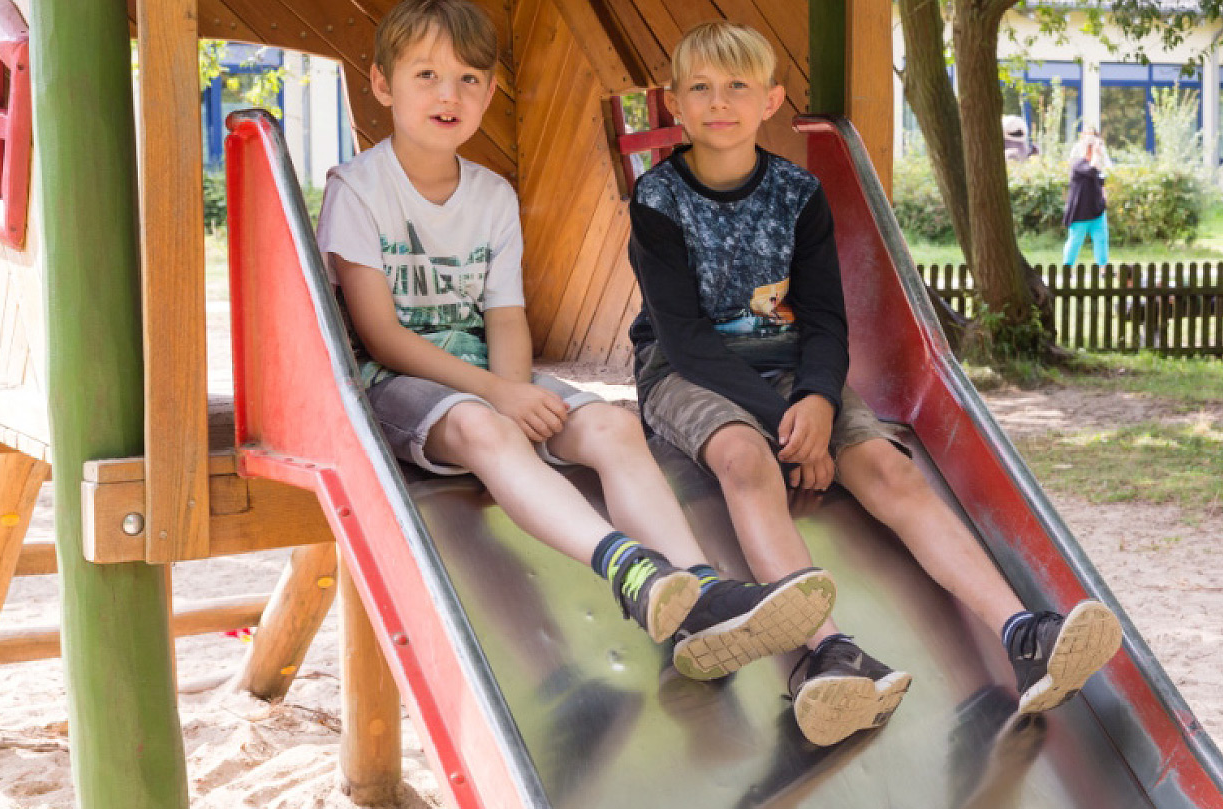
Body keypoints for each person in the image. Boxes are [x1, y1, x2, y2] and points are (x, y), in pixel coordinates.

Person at [627, 21, 1123, 747]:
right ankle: (827, 654)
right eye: (700, 87)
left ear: (770, 101)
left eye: (737, 86)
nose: (719, 102)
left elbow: (827, 318)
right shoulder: (657, 199)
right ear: (675, 102)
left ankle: (1023, 633)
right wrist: (786, 424)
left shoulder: (798, 194)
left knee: (890, 468)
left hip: (793, 366)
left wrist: (819, 400)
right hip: (685, 371)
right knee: (744, 457)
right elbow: (685, 339)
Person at [316, 0, 837, 681]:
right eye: (426, 76)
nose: (449, 95)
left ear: (490, 94)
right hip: (398, 383)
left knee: (613, 427)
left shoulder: (492, 195)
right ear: (383, 86)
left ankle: (701, 587)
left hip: (486, 371)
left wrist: (517, 390)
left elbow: (505, 316)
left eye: (469, 79)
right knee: (484, 426)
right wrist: (500, 396)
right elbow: (382, 337)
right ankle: (631, 569)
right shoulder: (357, 189)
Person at [1063, 127, 1111, 267]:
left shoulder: (1097, 167)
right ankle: (1067, 267)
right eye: (1098, 146)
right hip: (1080, 213)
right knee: (1075, 241)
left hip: (1097, 211)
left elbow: (1101, 182)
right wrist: (1095, 153)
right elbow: (1091, 170)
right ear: (1089, 148)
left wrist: (1104, 198)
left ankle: (1103, 267)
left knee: (1101, 239)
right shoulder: (1079, 165)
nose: (1100, 149)